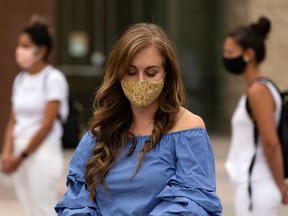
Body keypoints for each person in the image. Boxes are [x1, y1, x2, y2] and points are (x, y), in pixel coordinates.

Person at [55, 22, 222, 215]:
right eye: (131, 72)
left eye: (151, 73)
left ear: (167, 74)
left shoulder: (188, 128)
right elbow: (77, 199)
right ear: (118, 75)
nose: (141, 81)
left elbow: (195, 201)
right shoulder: (100, 132)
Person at [0, 15, 69, 216]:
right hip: (19, 151)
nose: (20, 51)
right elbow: (13, 120)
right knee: (28, 209)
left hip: (42, 152)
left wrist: (21, 157)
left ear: (42, 50)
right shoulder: (20, 79)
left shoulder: (53, 78)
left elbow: (47, 124)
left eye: (26, 45)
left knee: (43, 209)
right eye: (20, 45)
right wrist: (7, 154)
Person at [223, 16, 288, 216]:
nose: (225, 57)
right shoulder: (261, 88)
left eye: (229, 52)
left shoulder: (258, 92)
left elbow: (271, 143)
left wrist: (281, 186)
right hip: (255, 185)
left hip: (257, 186)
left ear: (248, 54)